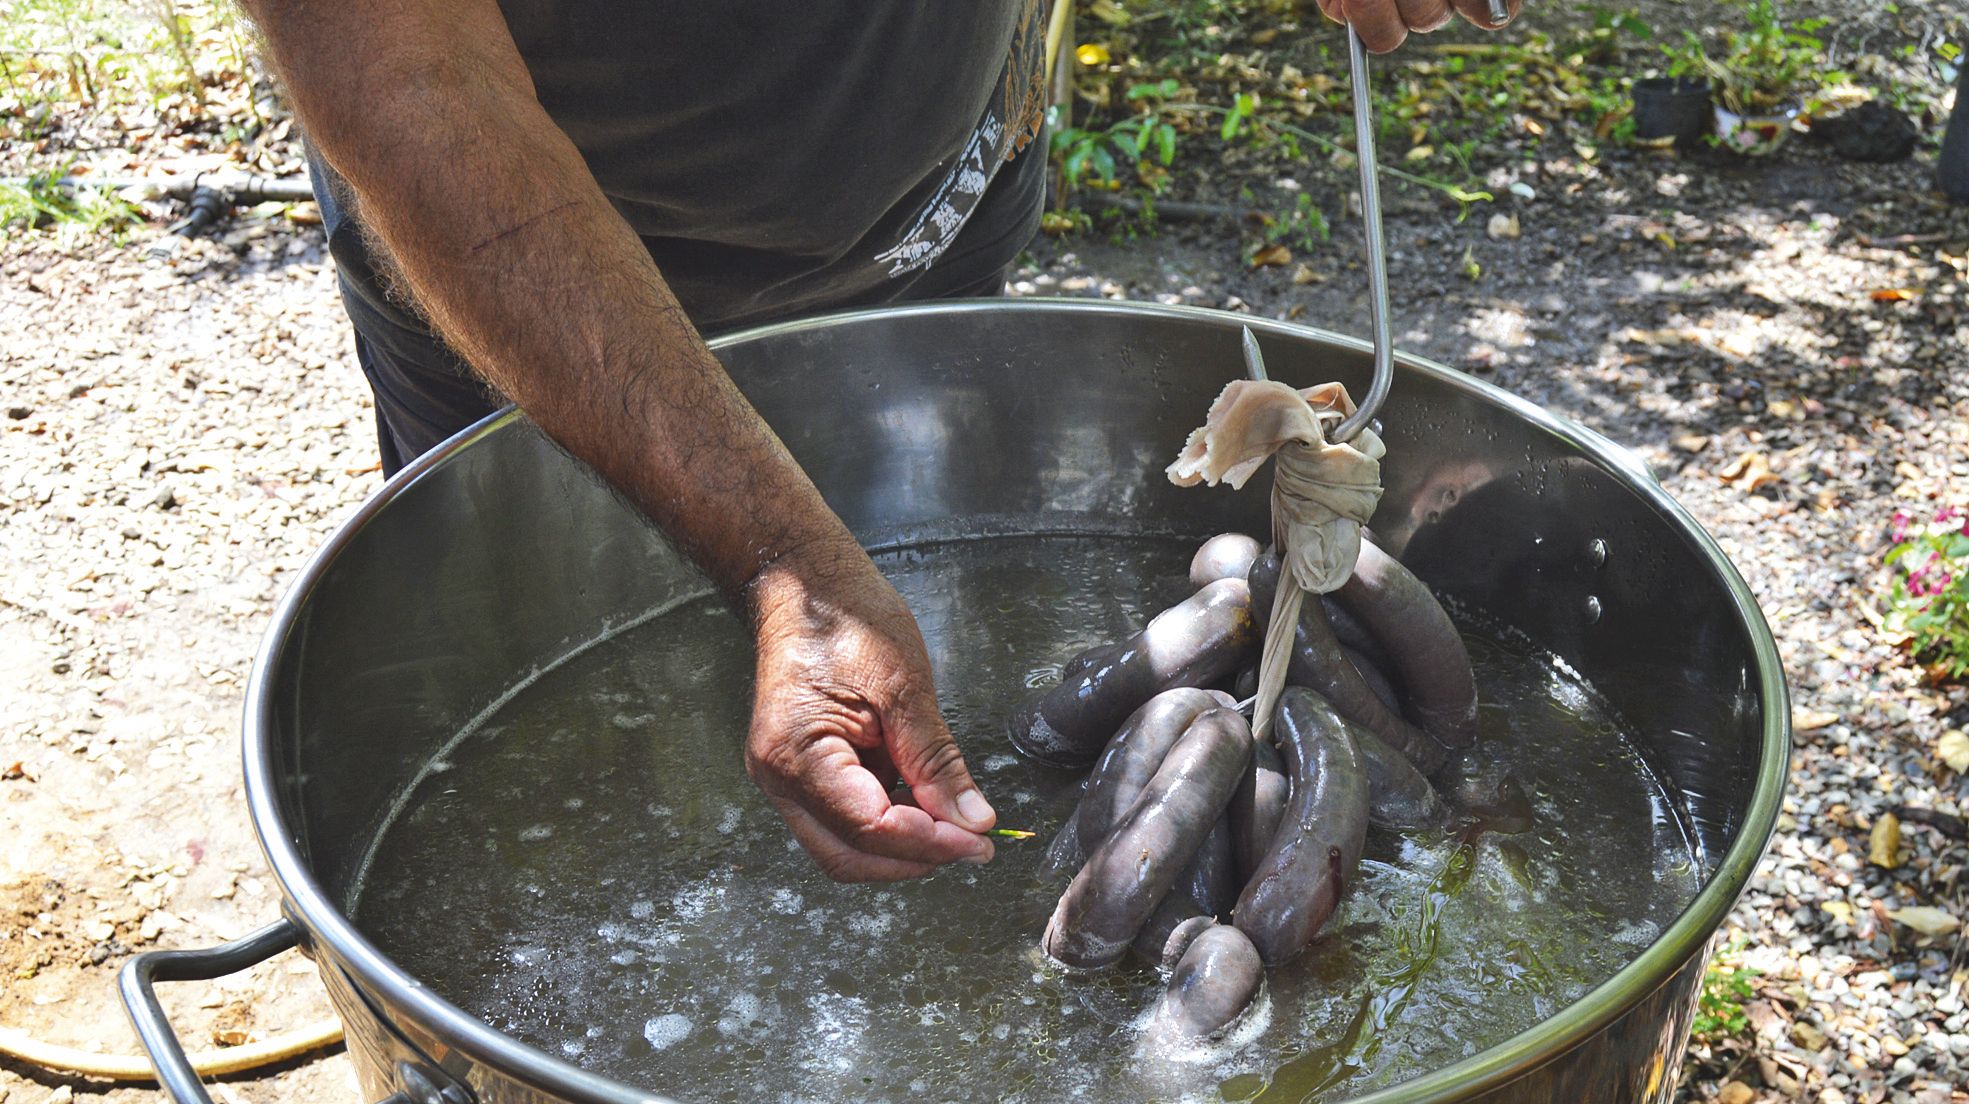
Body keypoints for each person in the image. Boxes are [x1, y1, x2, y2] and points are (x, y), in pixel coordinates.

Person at [247, 0, 1516, 884]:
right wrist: (786, 566)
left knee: (872, 742)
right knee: (546, 788)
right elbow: (415, 89)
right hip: (551, 298)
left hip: (939, 207)